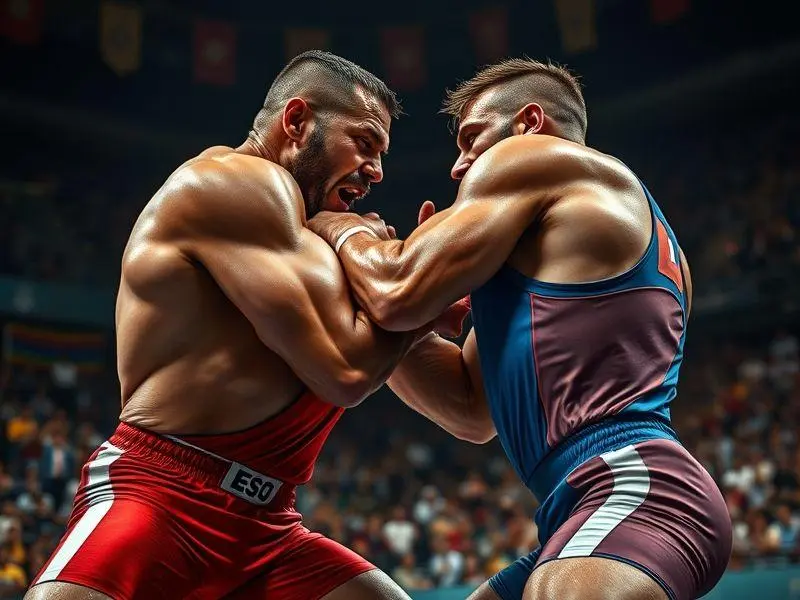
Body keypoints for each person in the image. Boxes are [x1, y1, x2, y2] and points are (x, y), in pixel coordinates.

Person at [26, 51, 466, 600]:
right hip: (164, 494)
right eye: (364, 143)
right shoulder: (234, 182)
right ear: (297, 121)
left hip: (268, 526)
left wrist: (485, 296)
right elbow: (348, 371)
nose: (377, 170)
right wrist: (410, 290)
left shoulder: (329, 253)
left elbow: (469, 413)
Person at [308, 57, 733, 600]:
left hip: (633, 486)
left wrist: (340, 229)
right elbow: (469, 409)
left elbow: (394, 287)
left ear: (530, 126)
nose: (460, 166)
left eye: (471, 140)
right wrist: (411, 331)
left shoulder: (540, 160)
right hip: (585, 500)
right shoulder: (570, 242)